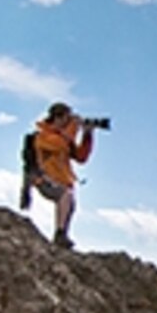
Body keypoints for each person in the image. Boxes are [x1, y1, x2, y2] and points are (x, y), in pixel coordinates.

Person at [28, 102, 98, 249]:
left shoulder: (65, 138)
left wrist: (87, 135)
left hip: (61, 180)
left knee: (69, 203)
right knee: (64, 196)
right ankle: (60, 234)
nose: (69, 124)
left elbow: (81, 157)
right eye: (67, 119)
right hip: (42, 179)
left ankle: (62, 235)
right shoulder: (43, 136)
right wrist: (73, 128)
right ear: (57, 118)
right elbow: (58, 145)